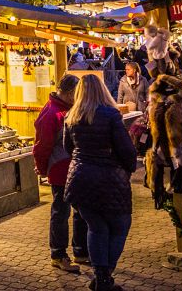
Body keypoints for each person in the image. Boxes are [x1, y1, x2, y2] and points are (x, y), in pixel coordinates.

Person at [64, 75, 137, 291]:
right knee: (120, 226)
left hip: (80, 179)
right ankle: (105, 275)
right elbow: (125, 150)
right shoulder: (111, 115)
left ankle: (101, 277)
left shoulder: (71, 116)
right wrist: (129, 167)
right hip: (110, 179)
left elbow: (68, 148)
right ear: (102, 90)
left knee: (96, 228)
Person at [33, 73, 88, 273]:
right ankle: (58, 254)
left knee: (80, 211)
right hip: (59, 169)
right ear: (68, 93)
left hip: (74, 168)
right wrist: (41, 167)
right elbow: (42, 145)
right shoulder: (51, 113)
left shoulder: (69, 109)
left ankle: (81, 251)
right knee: (61, 212)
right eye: (76, 93)